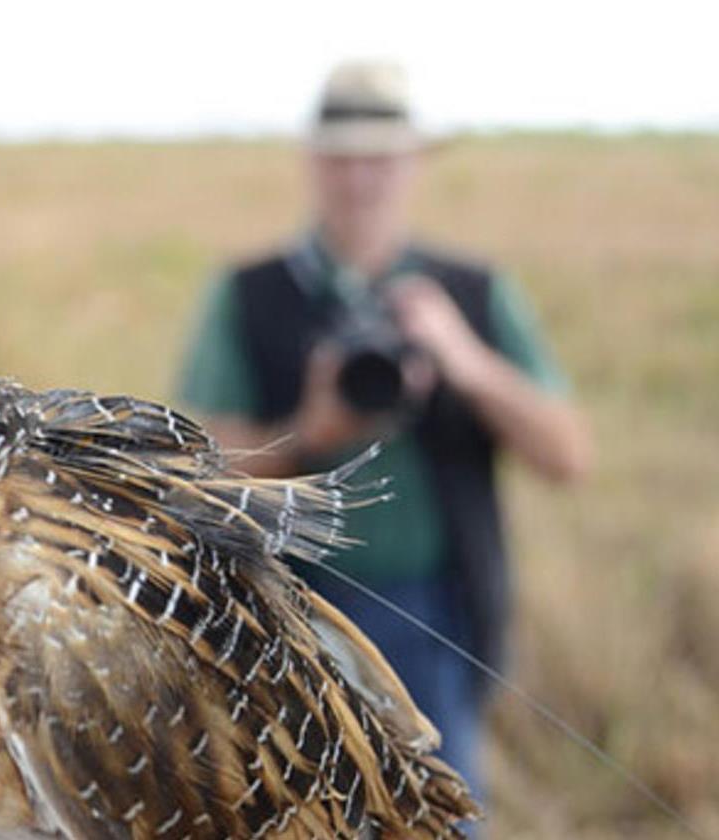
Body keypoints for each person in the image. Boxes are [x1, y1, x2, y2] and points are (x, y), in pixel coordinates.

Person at [177, 60, 593, 810]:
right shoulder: (250, 294)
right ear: (312, 163)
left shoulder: (471, 292)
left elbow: (568, 456)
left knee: (431, 815)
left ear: (412, 165)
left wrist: (464, 358)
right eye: (341, 159)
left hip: (439, 614)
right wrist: (308, 432)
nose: (359, 180)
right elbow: (199, 479)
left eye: (379, 159)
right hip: (286, 617)